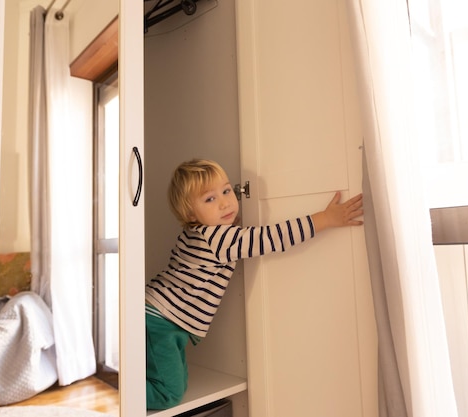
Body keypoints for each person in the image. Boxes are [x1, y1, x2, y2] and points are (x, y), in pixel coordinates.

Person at [145, 159, 364, 410]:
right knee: (169, 394)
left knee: (174, 382)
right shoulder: (220, 238)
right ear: (190, 214)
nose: (225, 202)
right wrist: (324, 218)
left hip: (161, 317)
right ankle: (121, 395)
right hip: (161, 320)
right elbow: (272, 237)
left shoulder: (197, 233)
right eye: (210, 199)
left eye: (226, 191)